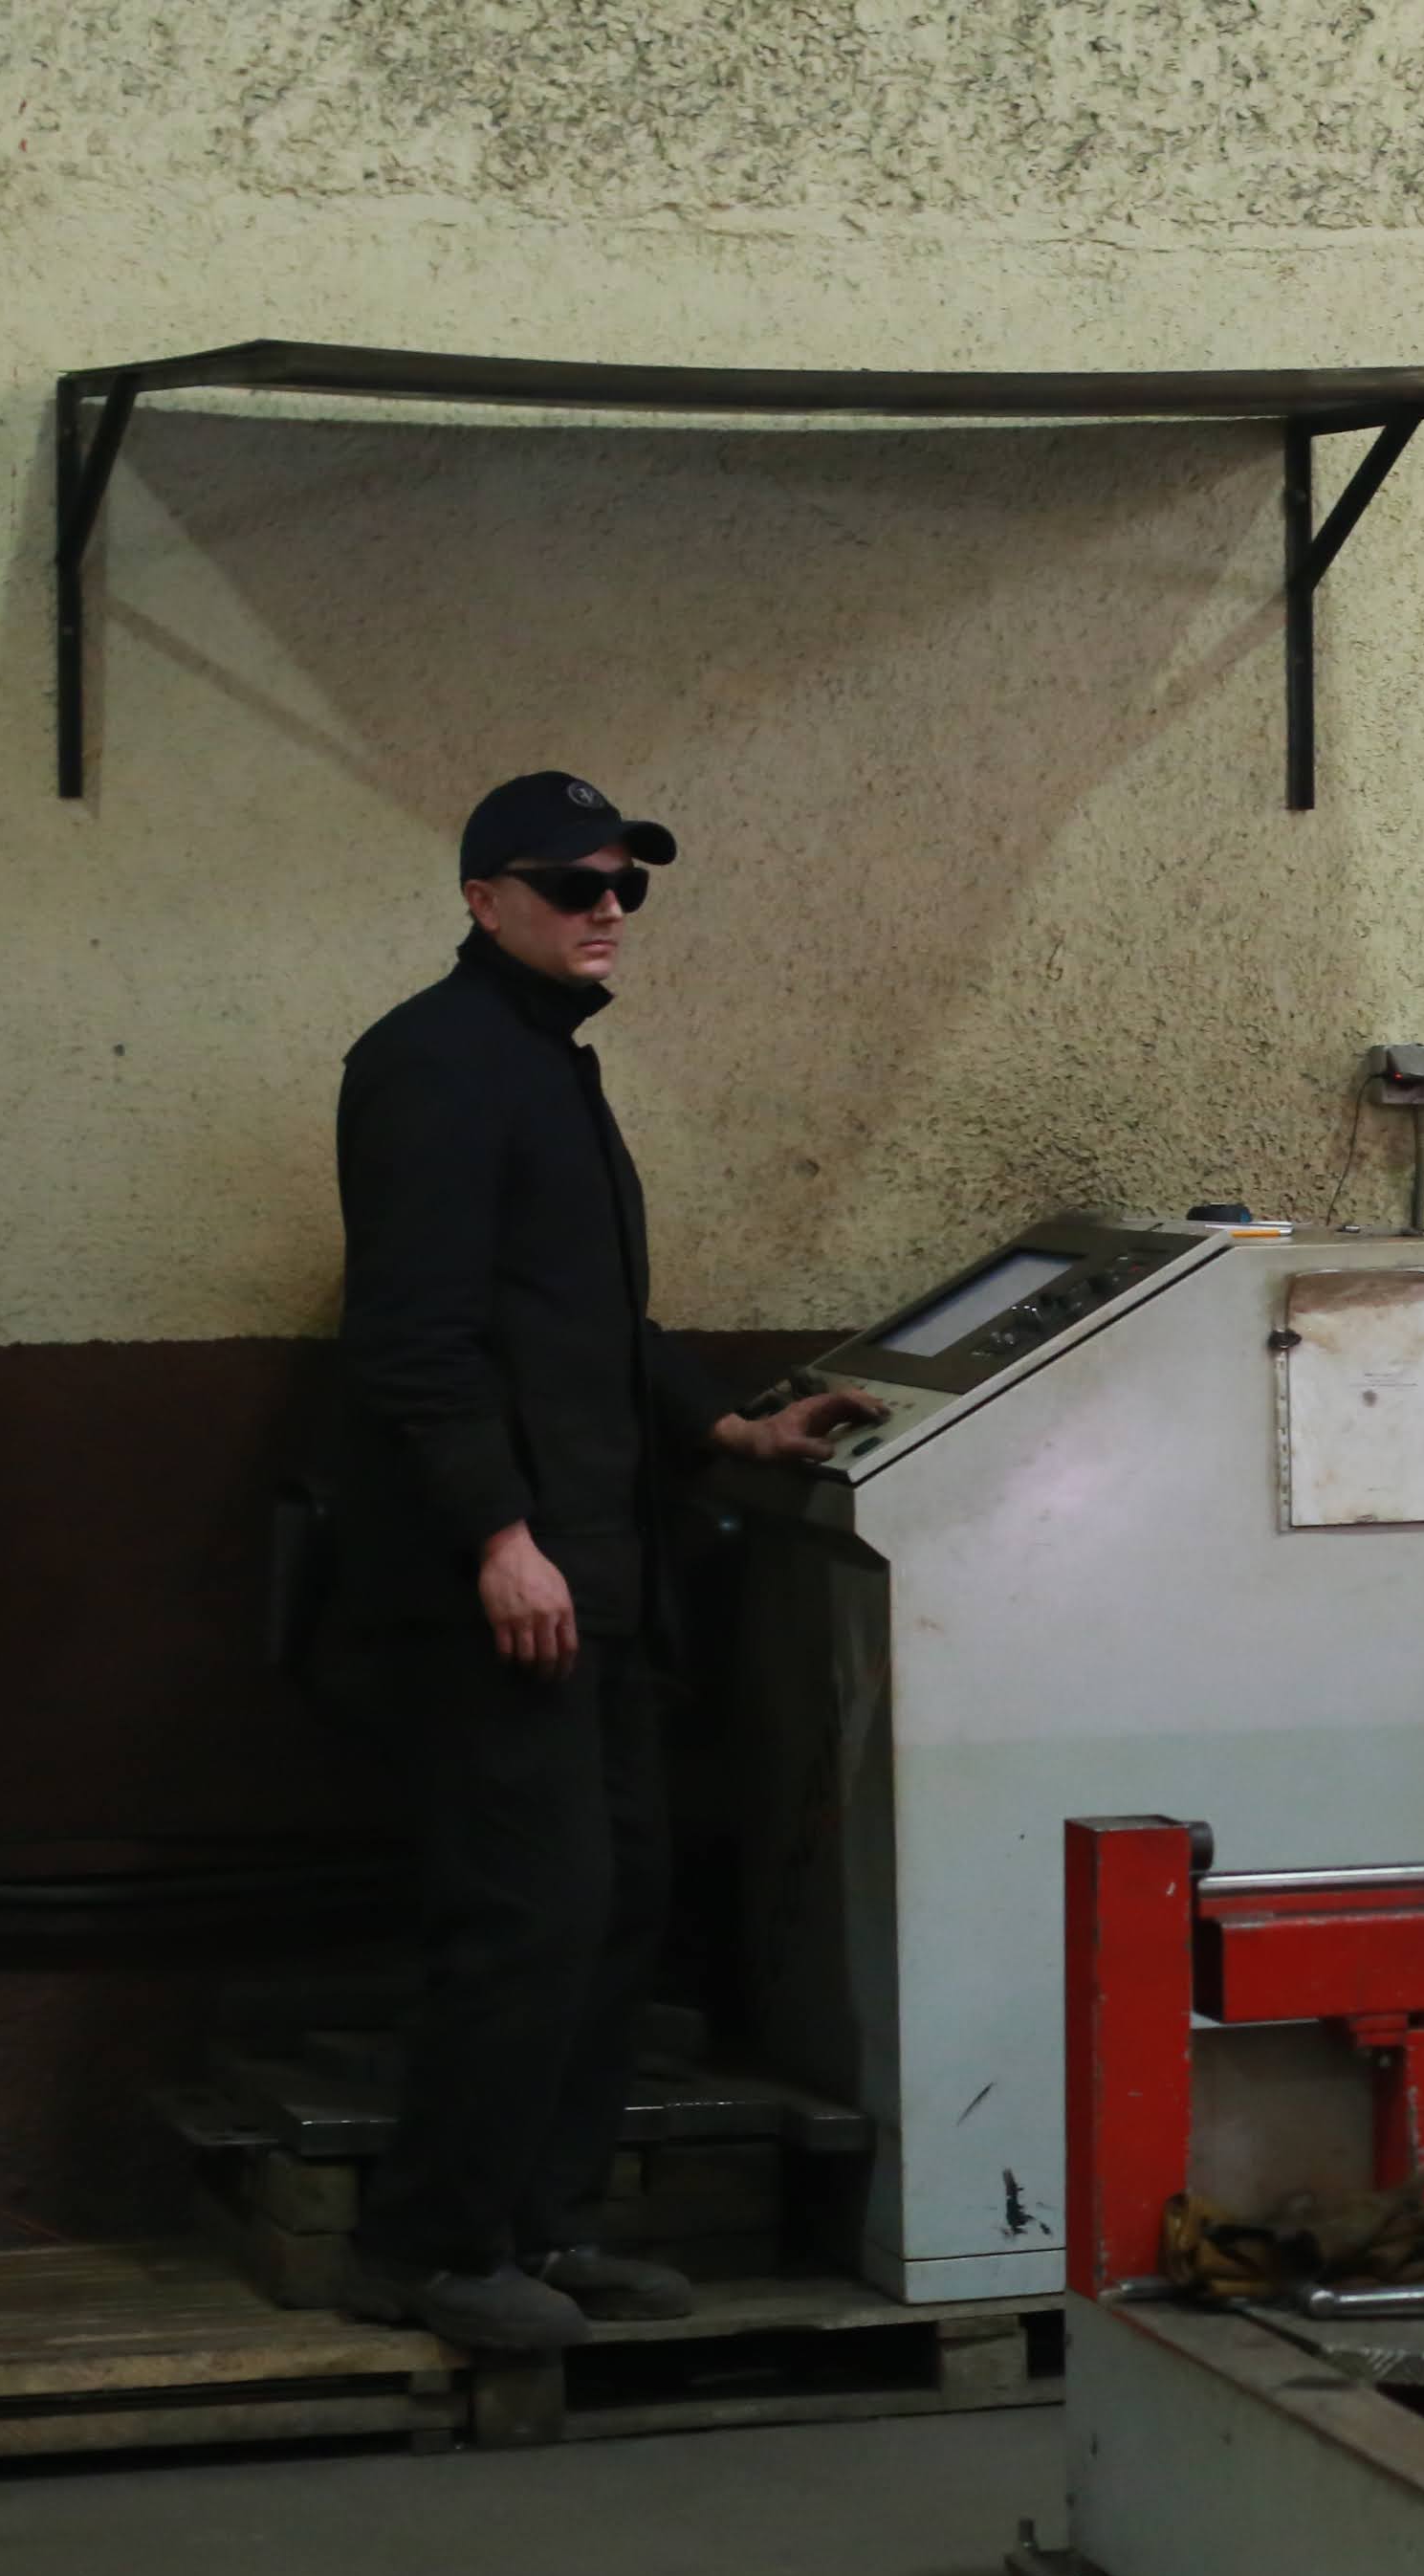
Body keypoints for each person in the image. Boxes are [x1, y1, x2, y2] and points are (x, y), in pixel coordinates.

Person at [321, 772, 877, 2351]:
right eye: (572, 885)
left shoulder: (544, 1061)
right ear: (484, 898)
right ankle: (429, 2244)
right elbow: (413, 1339)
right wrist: (497, 1535)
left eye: (625, 883)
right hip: (503, 1587)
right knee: (528, 1911)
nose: (608, 907)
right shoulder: (431, 1064)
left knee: (620, 1894)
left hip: (601, 1567)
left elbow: (586, 1323)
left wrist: (729, 1429)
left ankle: (542, 2225)